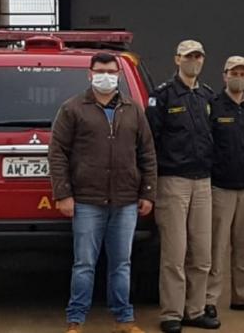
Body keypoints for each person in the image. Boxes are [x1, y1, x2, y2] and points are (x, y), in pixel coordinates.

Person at [49, 52, 157, 333]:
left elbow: (147, 153)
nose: (106, 76)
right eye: (100, 71)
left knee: (122, 264)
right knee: (84, 264)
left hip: (126, 202)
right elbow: (58, 153)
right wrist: (63, 194)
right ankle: (75, 321)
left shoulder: (133, 110)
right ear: (90, 74)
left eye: (111, 71)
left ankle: (124, 320)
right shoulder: (72, 109)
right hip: (86, 201)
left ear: (119, 75)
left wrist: (147, 193)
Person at [146, 40, 219, 332]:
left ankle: (196, 310)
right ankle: (172, 314)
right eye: (188, 56)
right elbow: (149, 142)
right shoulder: (162, 97)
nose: (194, 61)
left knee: (201, 253)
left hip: (203, 183)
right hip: (173, 182)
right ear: (177, 59)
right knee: (174, 254)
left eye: (198, 56)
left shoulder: (207, 96)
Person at [204, 56, 244, 319]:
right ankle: (209, 299)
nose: (238, 77)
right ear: (224, 76)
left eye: (243, 73)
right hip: (221, 188)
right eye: (234, 73)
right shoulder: (213, 107)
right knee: (215, 248)